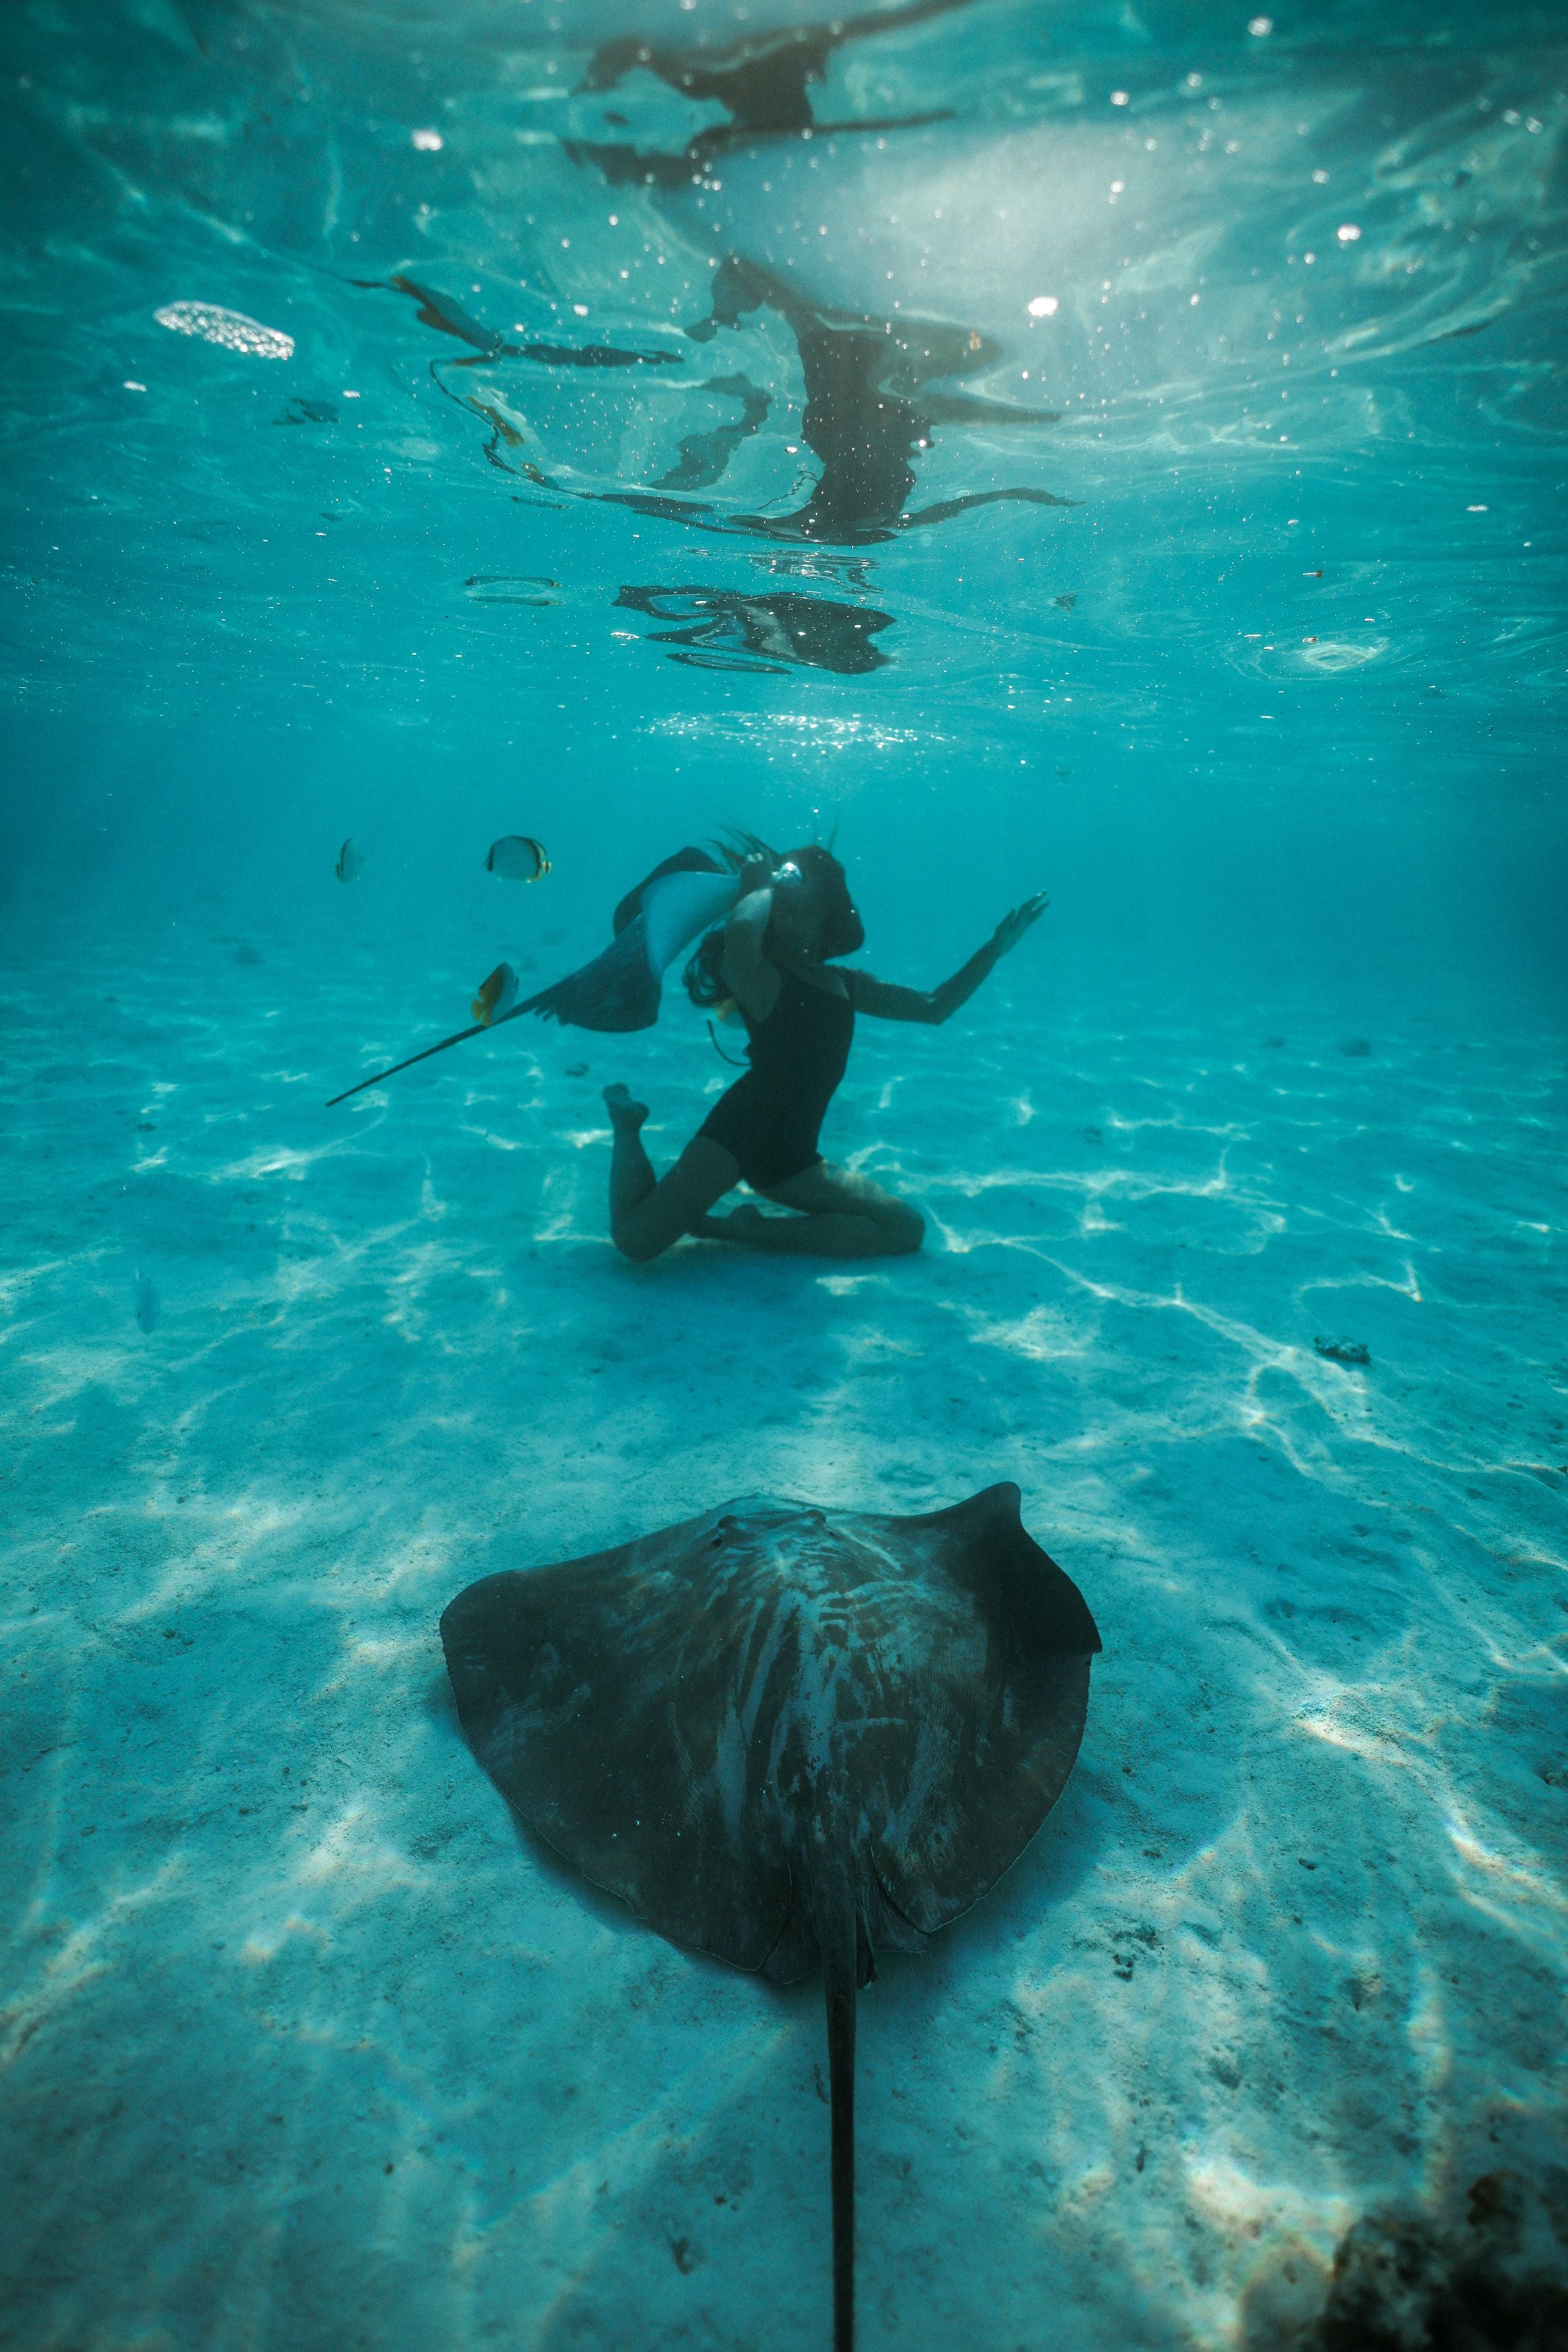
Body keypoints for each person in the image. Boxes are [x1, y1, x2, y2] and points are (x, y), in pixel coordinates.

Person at [602, 844, 1047, 1262]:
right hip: (737, 1135)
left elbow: (934, 1008)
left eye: (809, 912)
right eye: (786, 910)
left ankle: (737, 1229)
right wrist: (758, 887)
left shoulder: (846, 983)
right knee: (637, 1243)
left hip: (795, 1155)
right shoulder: (761, 975)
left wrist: (995, 949)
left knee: (903, 1230)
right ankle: (628, 1125)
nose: (795, 920)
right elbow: (740, 944)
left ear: (829, 919)